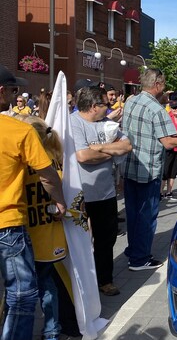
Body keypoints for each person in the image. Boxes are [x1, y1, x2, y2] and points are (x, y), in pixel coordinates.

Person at [0, 64, 66, 340]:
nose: (17, 96)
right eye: (15, 90)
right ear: (2, 92)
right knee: (21, 293)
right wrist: (60, 201)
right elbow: (48, 175)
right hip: (8, 225)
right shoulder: (18, 131)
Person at [121, 68, 177, 271]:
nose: (164, 88)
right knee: (147, 216)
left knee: (133, 213)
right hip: (148, 169)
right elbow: (167, 142)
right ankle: (140, 258)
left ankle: (133, 250)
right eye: (163, 84)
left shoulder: (131, 101)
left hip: (130, 165)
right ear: (157, 84)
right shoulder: (156, 110)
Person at [71, 86, 132, 295]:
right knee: (80, 241)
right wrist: (109, 151)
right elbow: (83, 157)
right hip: (80, 194)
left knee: (106, 239)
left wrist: (97, 148)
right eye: (106, 105)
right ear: (94, 106)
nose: (109, 109)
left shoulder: (107, 124)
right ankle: (81, 281)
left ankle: (104, 280)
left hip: (105, 193)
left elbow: (127, 146)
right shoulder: (74, 123)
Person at [14, 115, 67, 340]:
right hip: (50, 234)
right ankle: (52, 331)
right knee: (48, 286)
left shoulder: (27, 161)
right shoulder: (55, 157)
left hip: (29, 235)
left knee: (22, 291)